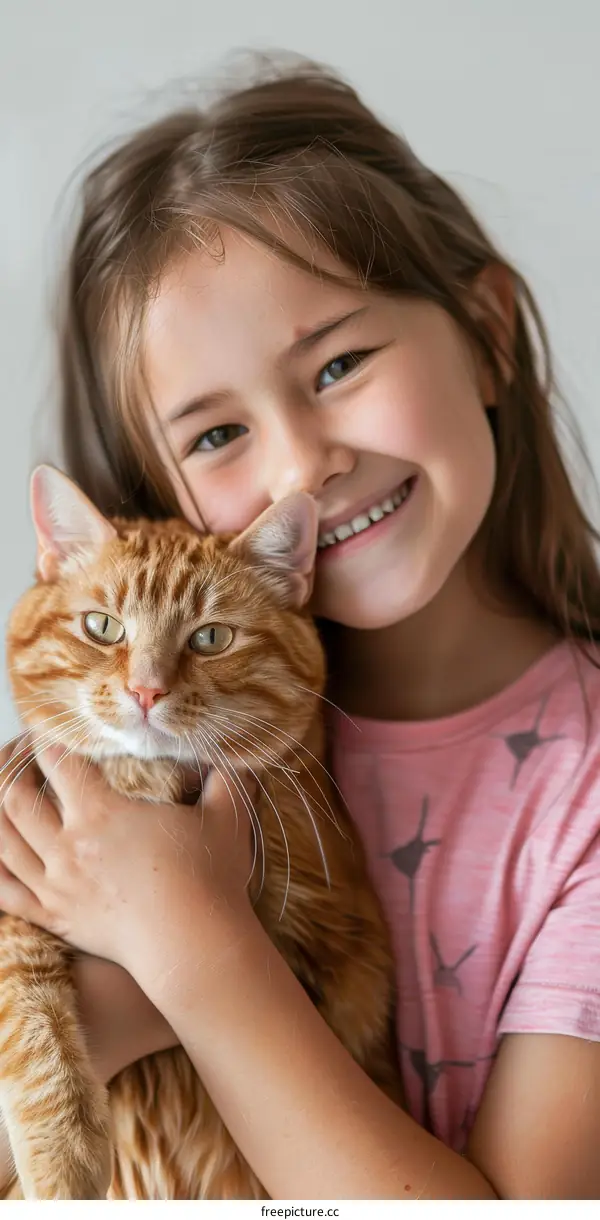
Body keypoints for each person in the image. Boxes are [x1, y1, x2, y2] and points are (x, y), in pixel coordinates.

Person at [1, 54, 600, 1200]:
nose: (301, 466)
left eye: (339, 363)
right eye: (217, 435)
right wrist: (93, 1021)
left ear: (487, 330)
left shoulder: (583, 791)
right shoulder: (139, 741)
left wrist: (190, 950)